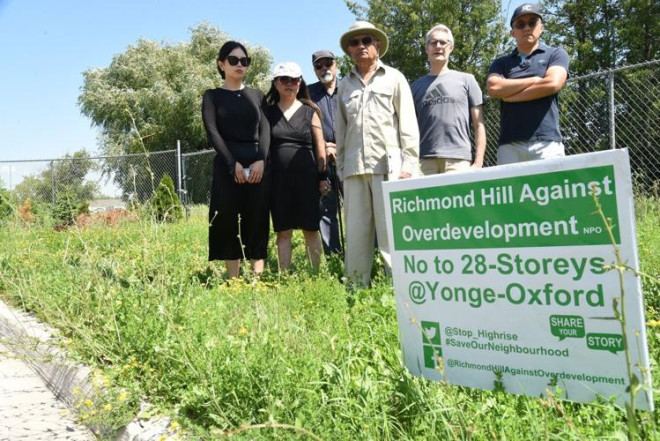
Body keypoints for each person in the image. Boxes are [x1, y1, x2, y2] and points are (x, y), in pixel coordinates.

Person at [336, 21, 419, 288]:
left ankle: (399, 291)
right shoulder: (343, 86)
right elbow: (340, 132)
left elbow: (408, 124)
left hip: (389, 168)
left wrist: (410, 164)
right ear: (349, 49)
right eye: (354, 42)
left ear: (378, 45)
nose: (361, 46)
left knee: (391, 234)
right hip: (354, 169)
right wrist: (340, 168)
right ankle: (356, 289)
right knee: (357, 235)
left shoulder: (395, 78)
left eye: (367, 41)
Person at [202, 41, 270, 279]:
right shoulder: (212, 97)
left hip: (257, 165)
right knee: (228, 219)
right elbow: (212, 132)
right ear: (221, 64)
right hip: (227, 164)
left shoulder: (258, 96)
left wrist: (261, 159)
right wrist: (233, 165)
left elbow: (265, 130)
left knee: (257, 218)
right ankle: (233, 280)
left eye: (244, 60)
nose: (240, 64)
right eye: (233, 60)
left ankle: (257, 279)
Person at [487, 3, 569, 164]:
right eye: (520, 24)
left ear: (541, 27)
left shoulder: (556, 54)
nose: (527, 27)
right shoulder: (501, 63)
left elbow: (552, 84)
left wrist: (510, 96)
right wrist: (535, 80)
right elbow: (494, 88)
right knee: (510, 189)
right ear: (512, 32)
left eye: (532, 22)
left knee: (551, 188)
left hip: (547, 142)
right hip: (510, 145)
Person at [265, 62, 328, 271]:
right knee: (283, 232)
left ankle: (316, 274)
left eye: (294, 79)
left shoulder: (311, 111)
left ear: (300, 82)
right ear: (275, 83)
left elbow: (320, 147)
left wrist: (322, 176)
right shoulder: (267, 113)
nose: (289, 84)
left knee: (311, 229)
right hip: (278, 182)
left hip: (308, 181)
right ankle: (284, 275)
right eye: (284, 79)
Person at [411, 24, 486, 175]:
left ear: (451, 47)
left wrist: (478, 163)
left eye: (443, 42)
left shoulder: (467, 80)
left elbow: (479, 125)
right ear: (427, 48)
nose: (438, 46)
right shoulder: (415, 87)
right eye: (433, 42)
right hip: (423, 163)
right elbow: (409, 130)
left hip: (458, 160)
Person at [308, 50, 343, 256]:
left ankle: (366, 255)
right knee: (327, 210)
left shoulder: (348, 87)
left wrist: (339, 146)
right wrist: (326, 146)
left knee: (360, 209)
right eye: (319, 66)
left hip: (349, 157)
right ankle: (335, 257)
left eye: (328, 63)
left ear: (336, 65)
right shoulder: (309, 93)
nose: (324, 69)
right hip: (322, 161)